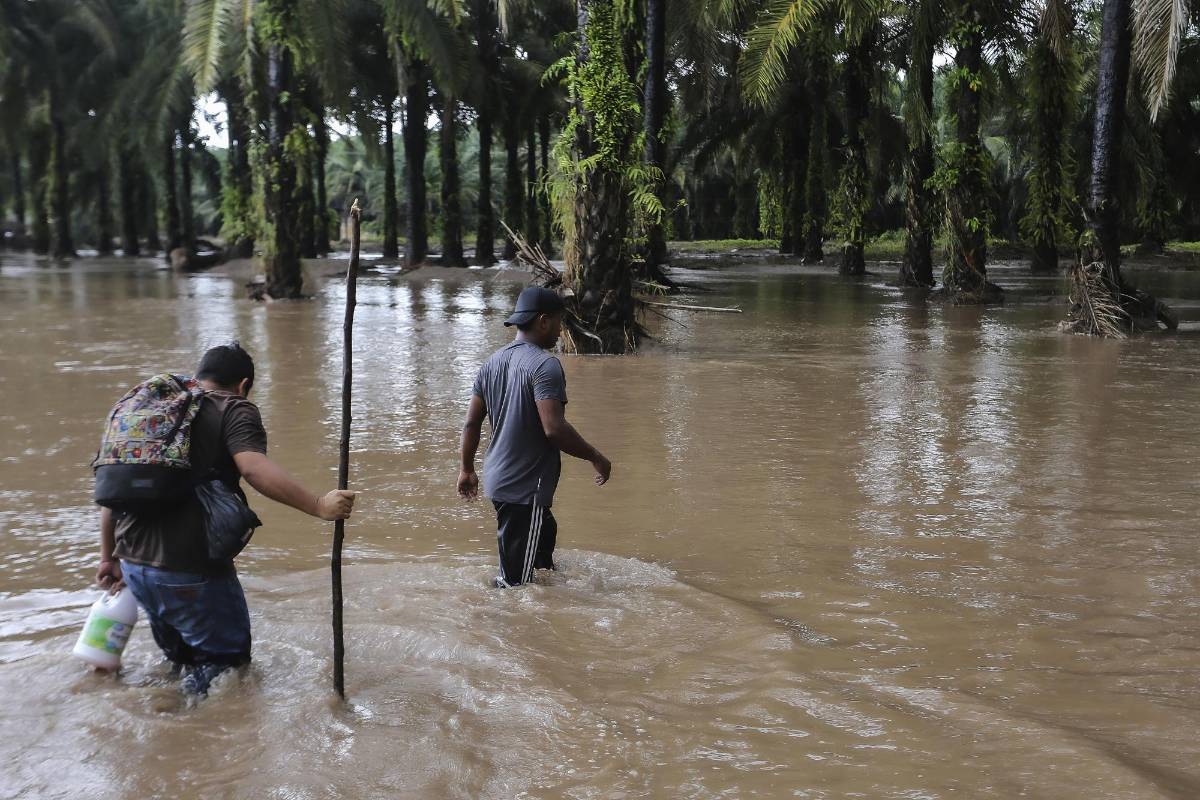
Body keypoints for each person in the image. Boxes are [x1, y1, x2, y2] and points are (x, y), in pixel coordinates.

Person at [94, 342, 356, 694]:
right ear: (244, 383)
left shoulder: (151, 412)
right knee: (226, 671)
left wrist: (108, 557)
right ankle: (200, 742)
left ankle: (166, 729)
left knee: (181, 664)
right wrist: (319, 505)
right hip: (189, 570)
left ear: (199, 375)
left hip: (134, 569)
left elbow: (112, 488)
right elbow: (253, 468)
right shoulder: (234, 408)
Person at [458, 287, 612, 587]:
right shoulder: (545, 365)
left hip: (501, 479)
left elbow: (471, 423)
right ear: (543, 321)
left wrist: (466, 468)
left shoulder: (490, 363)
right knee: (514, 585)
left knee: (543, 551)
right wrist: (596, 456)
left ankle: (545, 611)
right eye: (558, 323)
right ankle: (503, 624)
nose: (560, 331)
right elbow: (554, 428)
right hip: (524, 487)